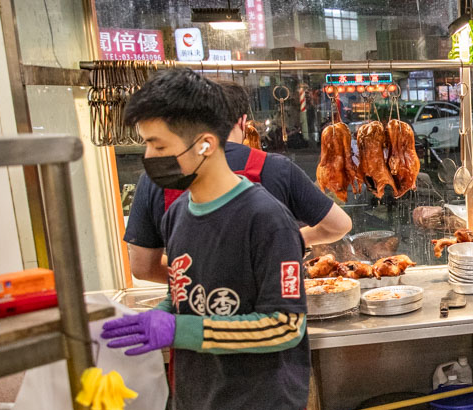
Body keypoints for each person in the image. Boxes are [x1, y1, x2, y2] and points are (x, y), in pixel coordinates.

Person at [100, 68, 317, 410]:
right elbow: (187, 297)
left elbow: (285, 326)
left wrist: (180, 328)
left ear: (203, 144)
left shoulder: (265, 218)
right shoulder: (178, 215)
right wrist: (154, 316)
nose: (149, 159)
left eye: (157, 145)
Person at [124, 79, 351, 283]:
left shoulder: (156, 179)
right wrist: (298, 238)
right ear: (243, 122)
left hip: (197, 320)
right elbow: (339, 225)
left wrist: (198, 281)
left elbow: (143, 268)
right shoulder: (275, 168)